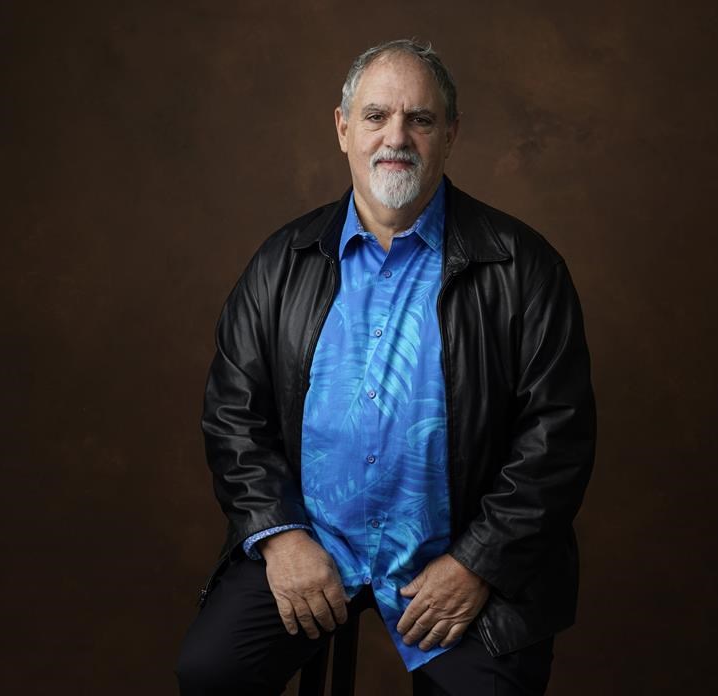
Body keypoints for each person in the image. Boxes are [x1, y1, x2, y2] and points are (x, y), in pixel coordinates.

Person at [176, 38, 596, 695]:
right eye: (375, 116)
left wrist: (477, 564)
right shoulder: (281, 263)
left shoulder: (525, 268)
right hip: (318, 544)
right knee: (208, 673)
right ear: (343, 128)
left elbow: (557, 440)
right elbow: (232, 415)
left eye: (420, 120)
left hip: (458, 555)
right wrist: (280, 537)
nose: (395, 136)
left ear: (450, 134)